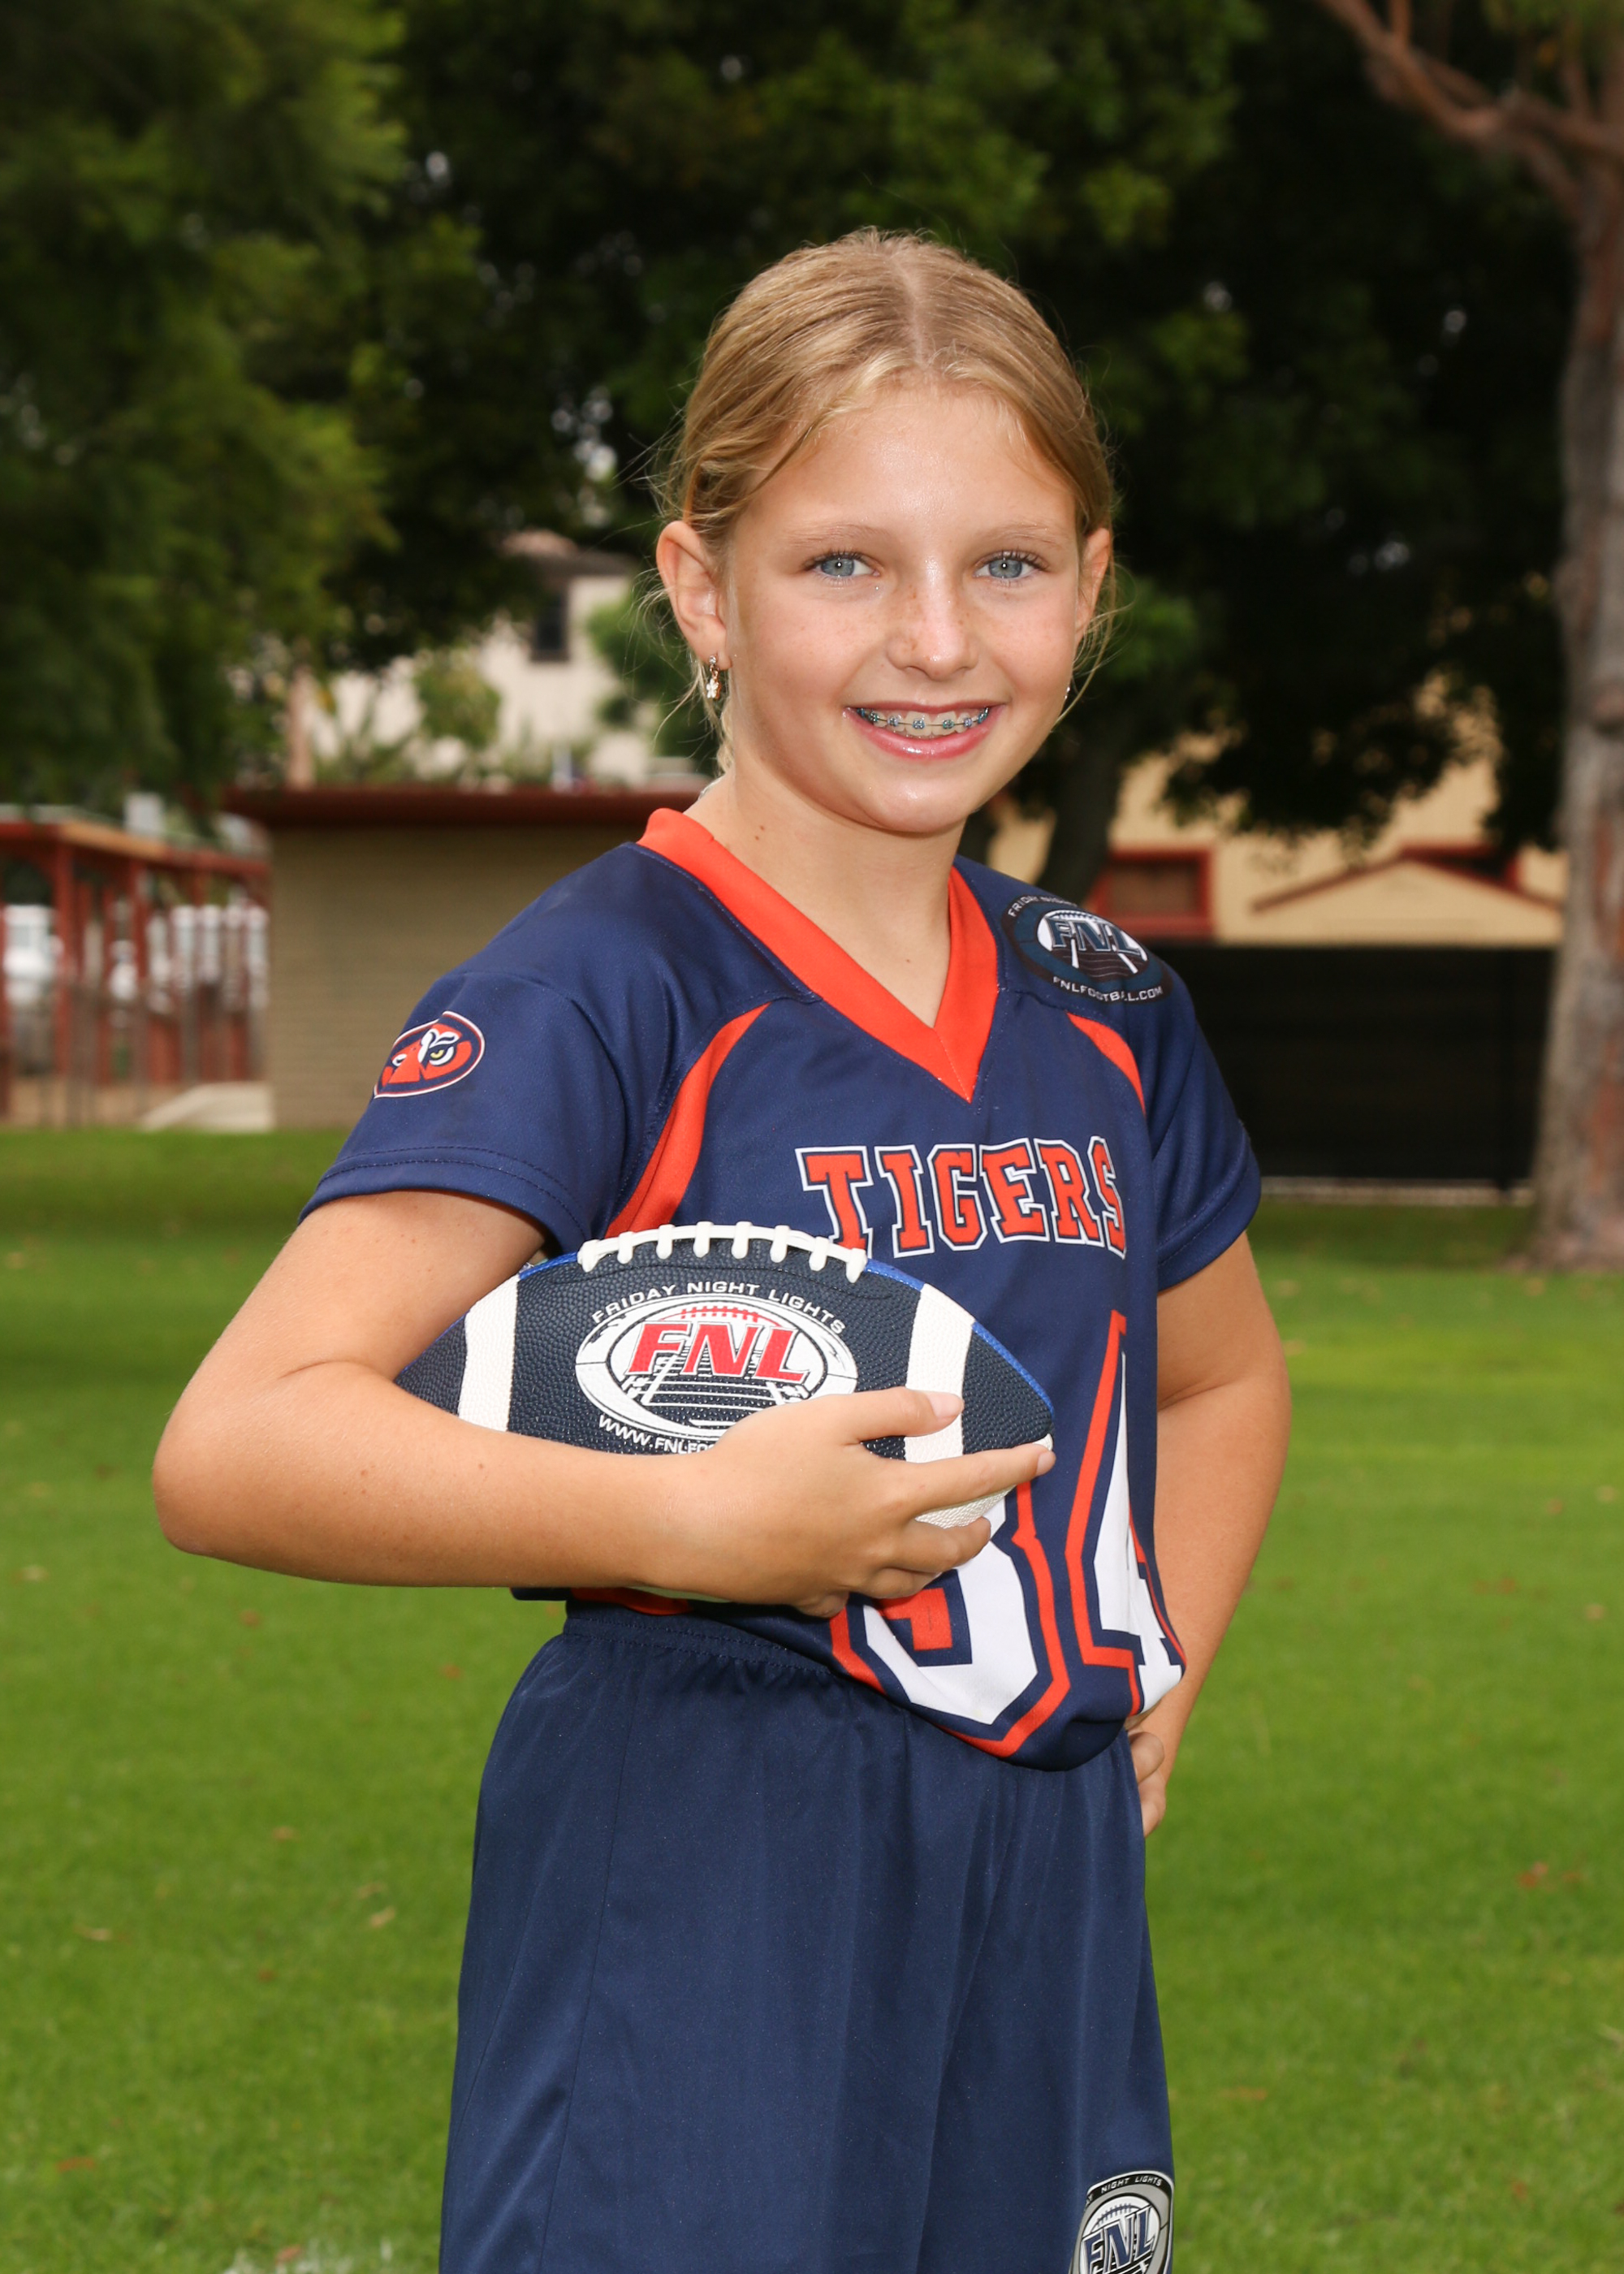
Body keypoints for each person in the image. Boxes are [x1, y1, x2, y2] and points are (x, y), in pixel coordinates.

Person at [156, 231, 1290, 2274]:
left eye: (1007, 563)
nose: (934, 638)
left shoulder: (1110, 1004)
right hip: (706, 1834)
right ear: (702, 587)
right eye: (842, 561)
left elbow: (1218, 1374)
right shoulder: (605, 986)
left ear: (1092, 584)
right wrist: (685, 1518)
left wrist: (1162, 1663)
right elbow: (240, 1437)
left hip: (1041, 1853)